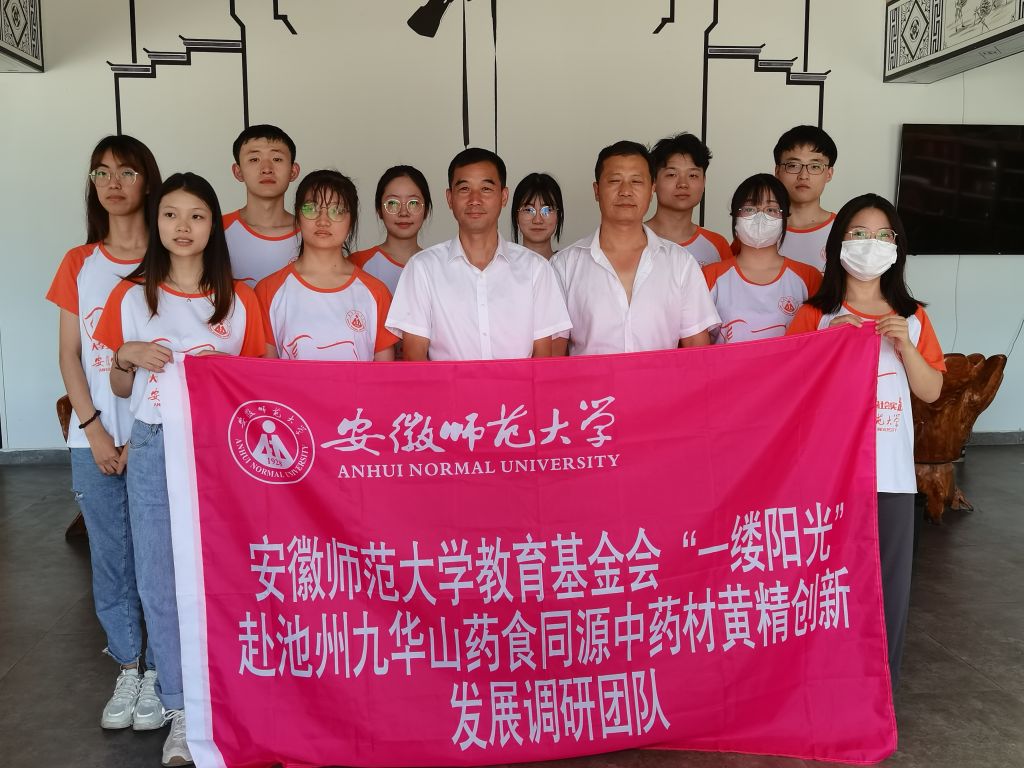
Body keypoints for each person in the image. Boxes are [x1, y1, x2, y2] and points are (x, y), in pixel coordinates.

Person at [95, 172, 266, 767]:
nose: (183, 226)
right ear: (157, 222)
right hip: (155, 442)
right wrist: (126, 356)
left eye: (197, 215)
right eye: (171, 214)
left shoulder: (240, 299)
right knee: (159, 577)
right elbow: (120, 387)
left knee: (232, 570)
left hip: (224, 452)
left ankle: (234, 694)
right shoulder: (132, 297)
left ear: (214, 224)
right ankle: (181, 708)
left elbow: (263, 383)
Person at [786, 193, 944, 688]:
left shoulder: (912, 316)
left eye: (882, 235)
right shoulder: (815, 314)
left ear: (896, 248)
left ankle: (879, 690)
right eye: (858, 234)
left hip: (890, 475)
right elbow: (787, 392)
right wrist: (825, 343)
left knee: (887, 586)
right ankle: (819, 684)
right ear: (838, 245)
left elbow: (931, 390)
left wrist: (905, 346)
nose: (869, 244)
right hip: (826, 477)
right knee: (824, 582)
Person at [45, 135, 166, 734]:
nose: (113, 183)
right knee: (111, 558)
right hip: (93, 434)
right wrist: (92, 430)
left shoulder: (170, 255)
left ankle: (163, 673)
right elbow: (69, 354)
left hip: (155, 435)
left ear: (148, 181)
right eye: (101, 173)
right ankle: (128, 665)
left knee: (158, 558)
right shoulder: (79, 262)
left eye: (126, 172)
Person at [386, 147, 570, 360]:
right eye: (464, 189)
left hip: (517, 385)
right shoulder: (422, 268)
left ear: (503, 197)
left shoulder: (536, 269)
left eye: (486, 189)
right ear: (449, 198)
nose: (475, 199)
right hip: (448, 385)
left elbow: (542, 360)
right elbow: (414, 358)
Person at [551, 141, 719, 356]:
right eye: (614, 181)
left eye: (636, 181)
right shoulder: (564, 265)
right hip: (591, 380)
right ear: (597, 190)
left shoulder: (680, 263)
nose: (625, 191)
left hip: (661, 380)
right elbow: (553, 357)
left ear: (652, 189)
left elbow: (698, 349)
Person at [256, 170, 398, 360]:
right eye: (311, 208)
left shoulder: (376, 293)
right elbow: (264, 374)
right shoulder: (268, 290)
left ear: (351, 222)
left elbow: (383, 375)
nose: (323, 220)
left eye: (336, 210)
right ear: (297, 216)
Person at [703, 174, 821, 343]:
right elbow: (696, 346)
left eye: (771, 210)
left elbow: (821, 340)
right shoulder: (709, 276)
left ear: (785, 217)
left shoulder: (809, 277)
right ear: (735, 216)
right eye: (750, 209)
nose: (760, 217)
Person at [223, 124, 301, 286]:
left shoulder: (313, 232)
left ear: (293, 171)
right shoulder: (215, 230)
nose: (266, 169)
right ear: (238, 172)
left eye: (277, 159)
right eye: (254, 159)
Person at [645, 132, 731, 266]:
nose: (683, 184)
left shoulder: (718, 245)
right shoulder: (633, 238)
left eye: (692, 175)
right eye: (672, 174)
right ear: (653, 182)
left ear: (704, 181)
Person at [349, 165, 432, 296]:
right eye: (392, 203)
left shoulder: (437, 265)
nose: (403, 212)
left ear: (426, 210)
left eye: (413, 203)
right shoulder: (356, 263)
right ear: (379, 210)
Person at [772, 125, 838, 271]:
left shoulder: (843, 230)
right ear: (777, 171)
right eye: (793, 165)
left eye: (815, 166)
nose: (803, 176)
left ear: (829, 174)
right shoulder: (757, 229)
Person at [510, 172, 564, 259]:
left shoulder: (569, 264)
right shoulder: (502, 265)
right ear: (516, 216)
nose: (537, 220)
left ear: (558, 215)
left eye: (547, 210)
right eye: (528, 210)